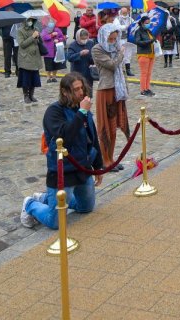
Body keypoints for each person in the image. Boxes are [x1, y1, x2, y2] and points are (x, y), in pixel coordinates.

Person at [19, 73, 104, 230]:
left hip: (82, 167)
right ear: (65, 92)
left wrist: (98, 167)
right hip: (62, 170)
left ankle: (45, 198)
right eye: (76, 89)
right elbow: (65, 136)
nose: (81, 92)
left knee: (86, 207)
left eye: (82, 88)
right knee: (56, 222)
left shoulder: (83, 109)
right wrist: (82, 113)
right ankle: (30, 204)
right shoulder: (54, 112)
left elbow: (93, 139)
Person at [91, 24, 128, 173]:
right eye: (110, 39)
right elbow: (112, 65)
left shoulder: (115, 48)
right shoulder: (97, 49)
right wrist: (121, 54)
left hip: (117, 91)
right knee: (105, 128)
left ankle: (111, 158)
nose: (113, 41)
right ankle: (104, 161)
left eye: (115, 38)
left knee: (113, 128)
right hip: (105, 90)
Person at [16, 17, 43, 104]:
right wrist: (32, 37)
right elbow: (22, 44)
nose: (30, 22)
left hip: (35, 57)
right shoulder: (20, 30)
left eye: (32, 20)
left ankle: (31, 94)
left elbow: (39, 42)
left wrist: (38, 37)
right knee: (26, 78)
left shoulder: (36, 29)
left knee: (34, 78)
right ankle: (26, 95)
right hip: (25, 57)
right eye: (28, 20)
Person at [133, 12, 157, 96]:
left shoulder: (148, 31)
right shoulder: (138, 31)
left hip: (151, 54)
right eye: (147, 23)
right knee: (144, 73)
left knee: (149, 73)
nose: (148, 24)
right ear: (142, 23)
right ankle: (143, 89)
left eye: (149, 22)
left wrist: (154, 40)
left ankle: (147, 88)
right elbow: (138, 42)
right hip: (143, 54)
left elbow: (153, 38)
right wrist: (150, 41)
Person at [40, 18, 65, 84]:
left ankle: (54, 77)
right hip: (48, 51)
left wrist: (58, 40)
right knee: (48, 65)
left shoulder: (57, 30)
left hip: (56, 50)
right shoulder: (45, 30)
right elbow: (43, 37)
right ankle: (48, 77)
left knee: (56, 65)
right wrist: (51, 35)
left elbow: (62, 37)